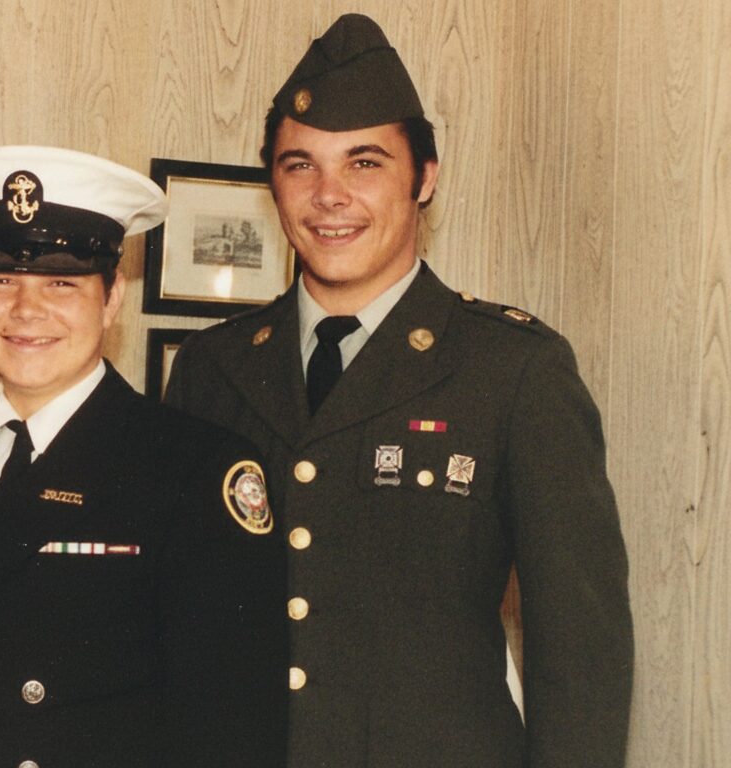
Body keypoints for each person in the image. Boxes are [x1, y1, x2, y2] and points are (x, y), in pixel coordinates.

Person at [165, 14, 634, 767]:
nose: (328, 196)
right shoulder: (212, 368)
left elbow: (580, 654)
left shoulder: (512, 369)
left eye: (364, 163)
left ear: (425, 177)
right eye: (299, 166)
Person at [0, 145, 289, 766]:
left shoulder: (195, 470)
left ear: (113, 296)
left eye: (62, 281)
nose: (25, 310)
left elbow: (231, 729)